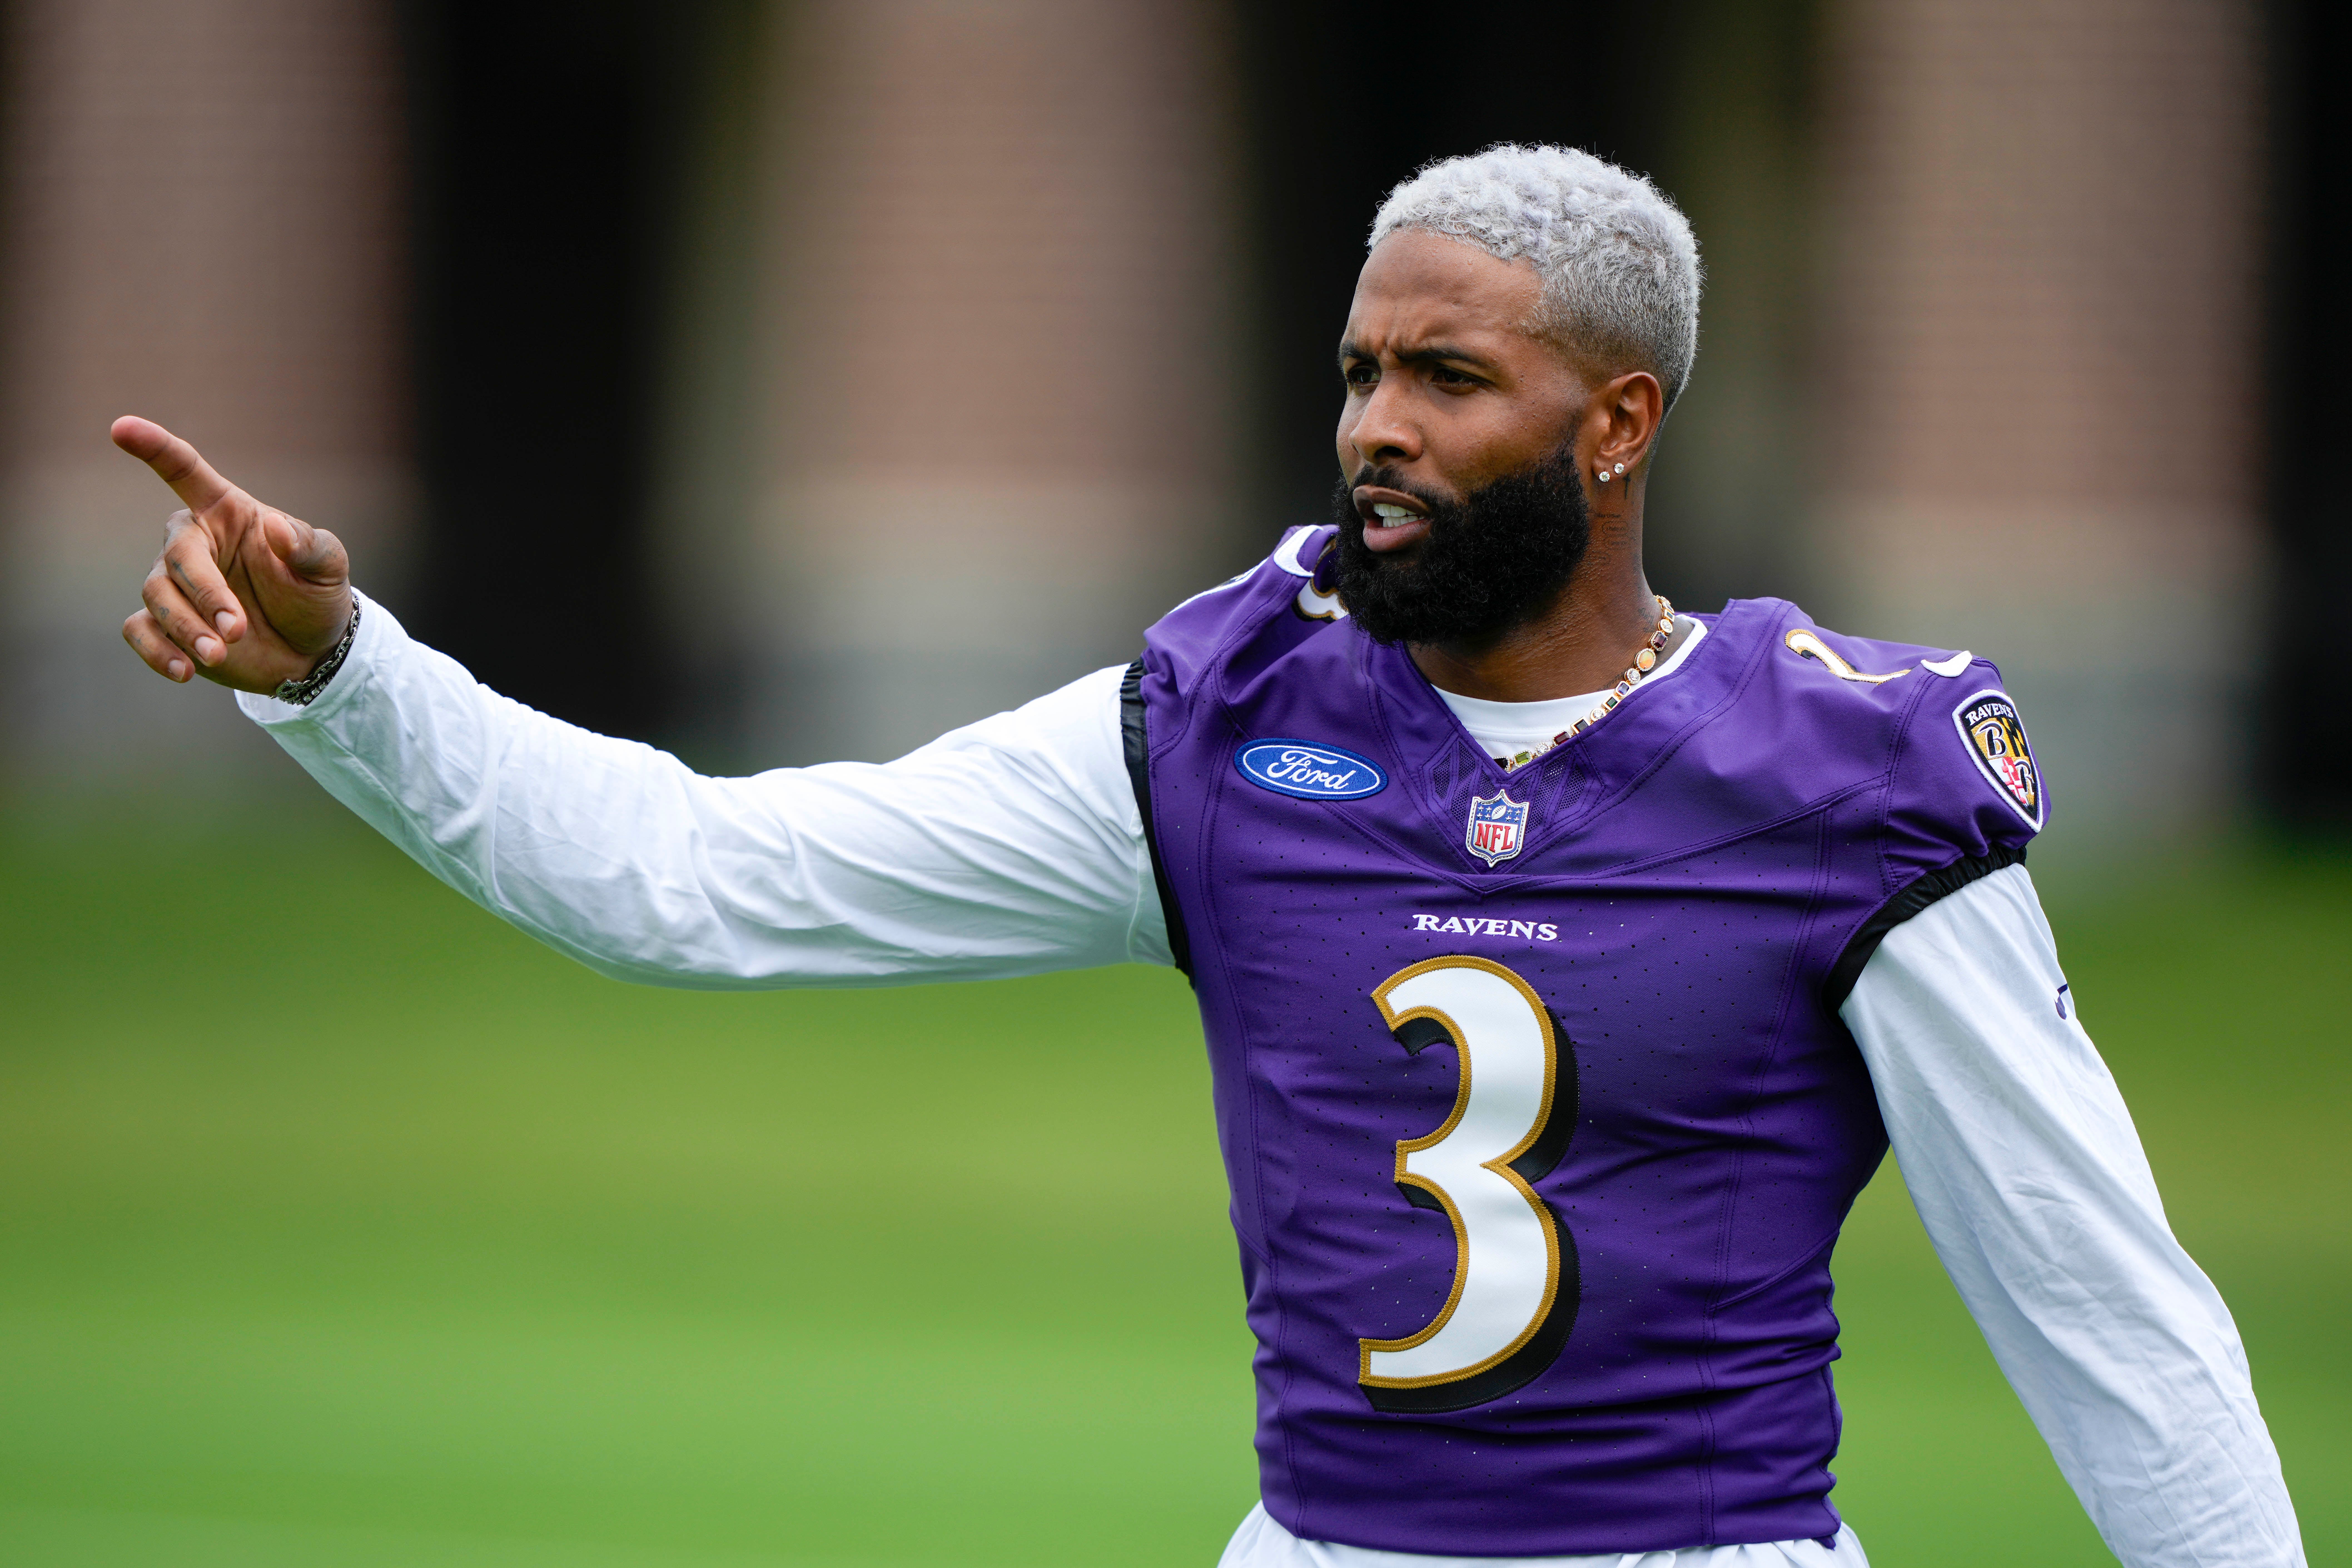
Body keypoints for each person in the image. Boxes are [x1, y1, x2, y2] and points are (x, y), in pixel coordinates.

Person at [116, 145, 2300, 1568]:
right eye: (1361, 370)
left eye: (1449, 377)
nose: (1374, 423)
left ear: (1617, 424)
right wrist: (345, 673)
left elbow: (2103, 1311)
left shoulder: (1837, 774)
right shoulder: (1232, 720)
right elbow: (697, 879)